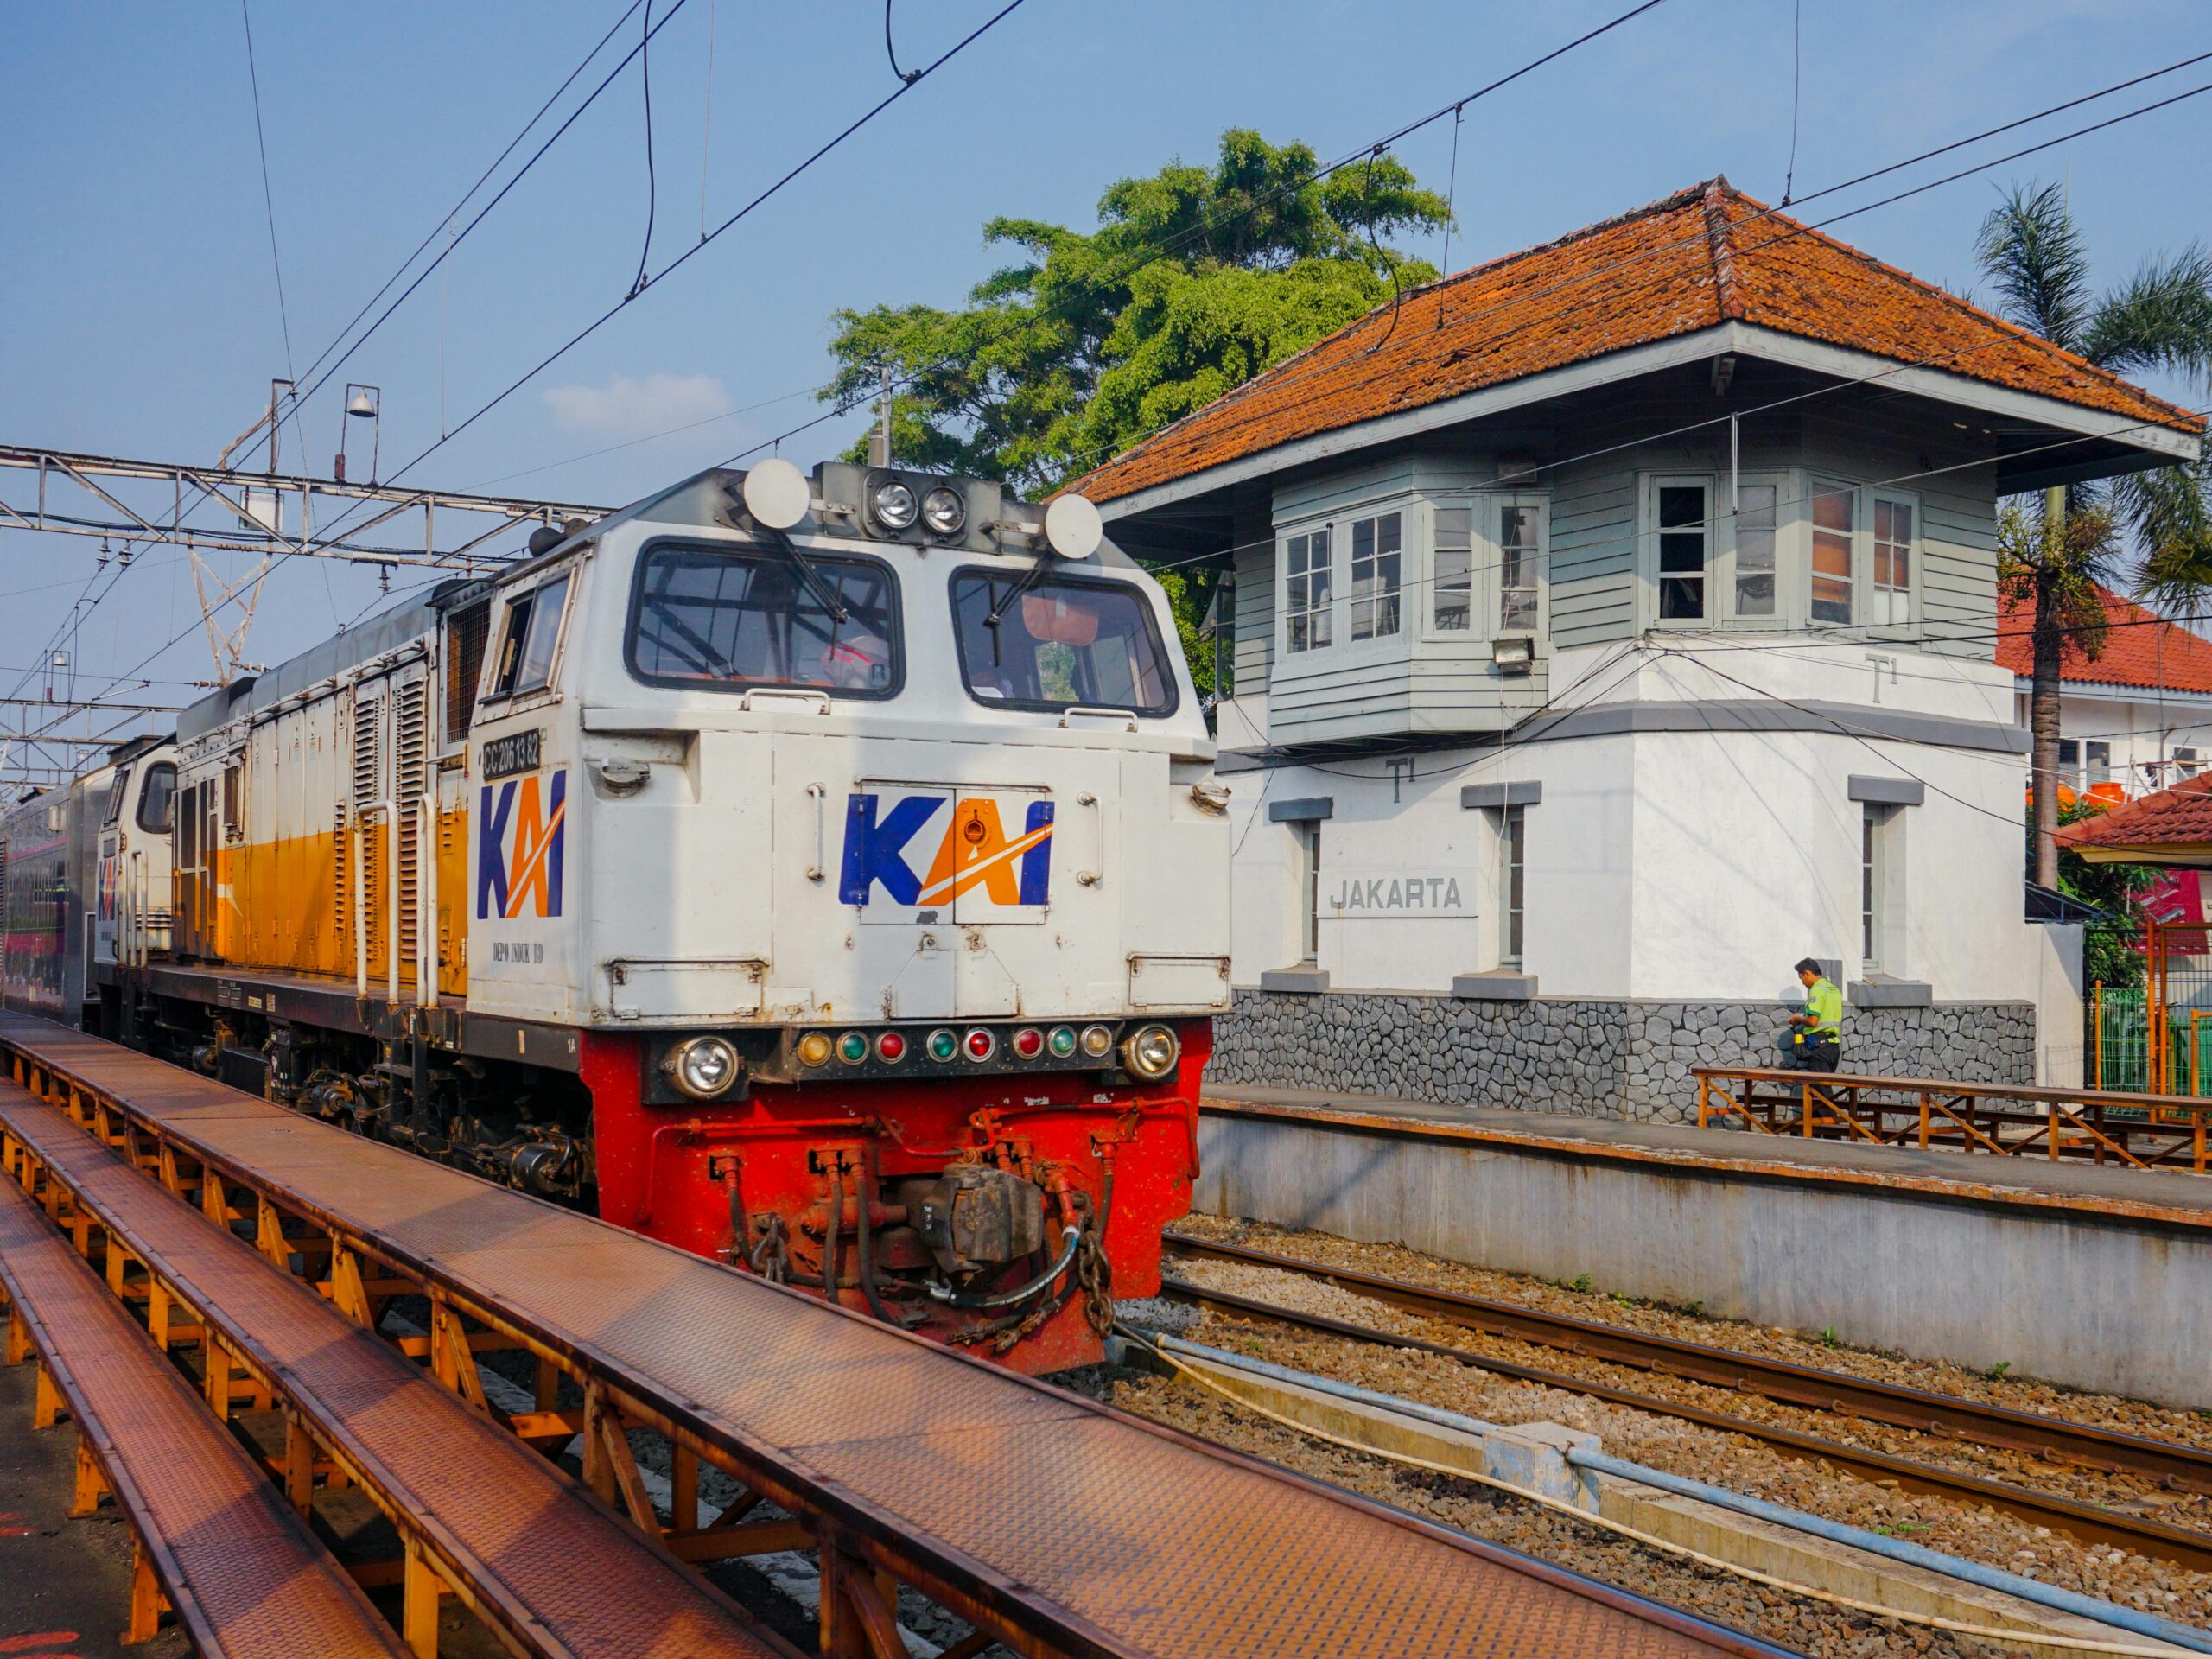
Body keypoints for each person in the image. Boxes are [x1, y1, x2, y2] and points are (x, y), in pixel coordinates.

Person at [1779, 957, 1843, 1072]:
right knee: (1823, 1084)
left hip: (1820, 1047)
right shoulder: (1833, 990)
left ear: (1807, 973)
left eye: (1802, 979)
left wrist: (1798, 1018)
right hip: (1833, 1046)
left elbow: (1813, 1021)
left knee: (1820, 1088)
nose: (1803, 983)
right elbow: (1825, 1014)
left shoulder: (1817, 990)